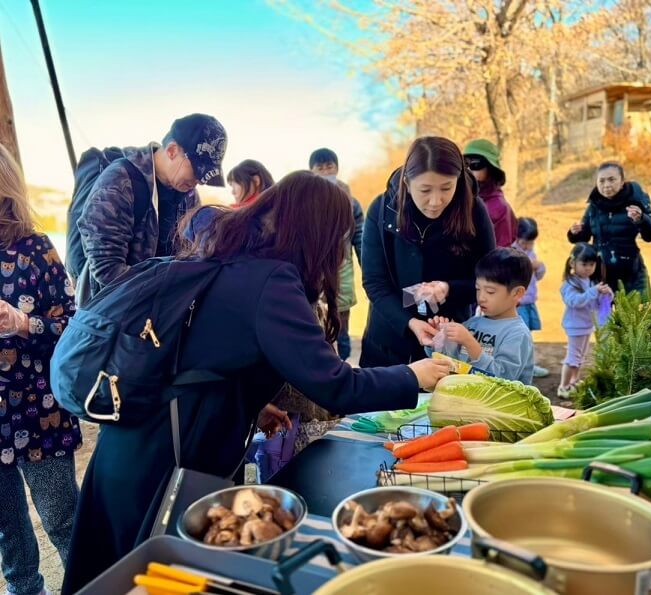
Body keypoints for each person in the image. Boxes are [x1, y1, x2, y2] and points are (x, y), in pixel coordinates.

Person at [61, 171, 450, 594]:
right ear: (316, 231)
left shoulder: (224, 253)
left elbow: (201, 354)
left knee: (112, 573)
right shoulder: (272, 281)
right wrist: (412, 375)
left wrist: (251, 401)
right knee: (157, 578)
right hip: (167, 457)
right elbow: (335, 385)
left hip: (131, 446)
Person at [0, 144, 82, 595]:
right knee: (7, 532)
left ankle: (92, 586)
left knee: (63, 520)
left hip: (39, 408)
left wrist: (23, 322)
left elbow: (74, 324)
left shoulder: (35, 249)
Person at [360, 136, 496, 368]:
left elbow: (490, 279)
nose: (435, 201)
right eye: (425, 190)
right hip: (389, 338)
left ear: (459, 180)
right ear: (407, 182)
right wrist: (409, 322)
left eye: (446, 188)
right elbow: (374, 283)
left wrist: (448, 289)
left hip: (451, 337)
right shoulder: (383, 210)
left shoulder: (474, 211)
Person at [75, 113, 227, 305]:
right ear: (172, 150)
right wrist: (162, 293)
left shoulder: (189, 195)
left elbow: (190, 256)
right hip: (112, 315)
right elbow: (106, 268)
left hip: (159, 314)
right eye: (197, 170)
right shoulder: (119, 182)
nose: (199, 181)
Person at [427, 248, 535, 384]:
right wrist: (439, 340)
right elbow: (453, 364)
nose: (481, 297)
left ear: (517, 293)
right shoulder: (473, 323)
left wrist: (470, 342)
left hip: (499, 405)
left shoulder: (517, 334)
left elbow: (504, 380)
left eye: (490, 292)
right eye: (478, 289)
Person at [567, 161, 651, 294]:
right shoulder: (594, 206)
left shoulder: (635, 203)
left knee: (637, 313)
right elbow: (584, 237)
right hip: (602, 276)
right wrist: (574, 233)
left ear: (622, 182)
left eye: (611, 180)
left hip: (632, 274)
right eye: (602, 181)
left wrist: (641, 219)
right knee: (604, 315)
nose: (606, 185)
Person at [309, 148, 363, 361]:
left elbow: (360, 235)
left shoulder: (350, 200)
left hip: (343, 272)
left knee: (341, 323)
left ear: (337, 168)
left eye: (329, 166)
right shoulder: (307, 201)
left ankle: (344, 361)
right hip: (314, 273)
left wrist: (366, 265)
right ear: (311, 171)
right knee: (316, 322)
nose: (325, 171)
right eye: (320, 168)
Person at [559, 243, 613, 397]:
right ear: (572, 263)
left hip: (586, 325)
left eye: (592, 264)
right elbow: (575, 301)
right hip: (575, 326)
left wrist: (606, 295)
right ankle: (563, 386)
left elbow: (595, 304)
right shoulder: (569, 284)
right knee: (573, 356)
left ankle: (574, 382)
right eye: (584, 264)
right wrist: (594, 291)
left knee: (580, 356)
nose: (588, 268)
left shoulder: (590, 282)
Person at [512, 217, 549, 378]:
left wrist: (540, 267)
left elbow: (538, 277)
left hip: (530, 301)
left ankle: (529, 365)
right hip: (519, 304)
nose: (528, 246)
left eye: (531, 243)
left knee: (528, 335)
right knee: (520, 336)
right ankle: (519, 367)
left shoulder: (531, 253)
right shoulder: (512, 252)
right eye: (525, 242)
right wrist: (528, 265)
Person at [464, 138, 517, 247]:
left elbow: (502, 252)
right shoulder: (460, 197)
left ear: (490, 168)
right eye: (465, 164)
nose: (469, 170)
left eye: (475, 164)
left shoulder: (500, 207)